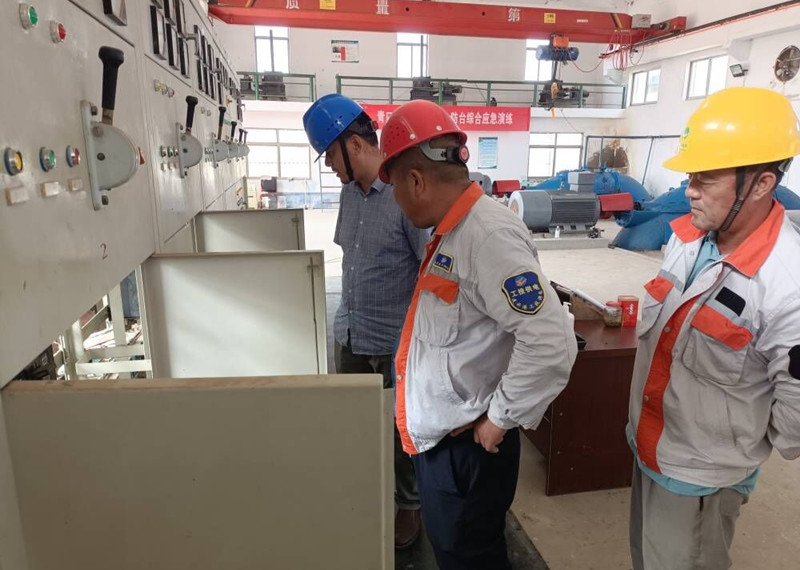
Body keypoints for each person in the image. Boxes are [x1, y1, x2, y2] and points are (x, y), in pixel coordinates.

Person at [379, 99, 577, 569]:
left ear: (416, 180)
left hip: (467, 449)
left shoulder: (486, 236)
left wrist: (500, 418)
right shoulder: (453, 232)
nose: (397, 201)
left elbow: (550, 342)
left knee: (469, 557)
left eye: (395, 187)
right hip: (443, 444)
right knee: (456, 551)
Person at [627, 87, 800, 570]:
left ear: (761, 184)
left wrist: (733, 444)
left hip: (703, 476)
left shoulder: (787, 283)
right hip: (648, 448)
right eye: (690, 176)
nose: (690, 190)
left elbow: (795, 414)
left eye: (706, 178)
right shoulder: (687, 239)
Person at [302, 94, 429, 549]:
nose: (329, 165)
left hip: (393, 344)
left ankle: (409, 506)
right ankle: (366, 496)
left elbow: (428, 269)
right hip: (350, 335)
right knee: (354, 428)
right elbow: (353, 258)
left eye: (330, 154)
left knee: (399, 435)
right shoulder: (348, 194)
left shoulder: (403, 197)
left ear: (354, 144)